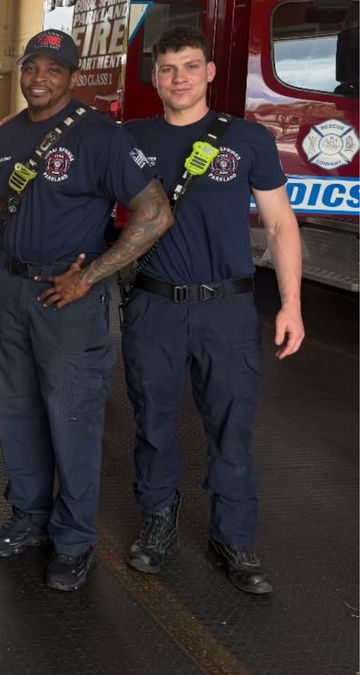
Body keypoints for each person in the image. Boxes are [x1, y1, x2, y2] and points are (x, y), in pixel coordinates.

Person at [0, 29, 173, 591]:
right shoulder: (9, 134)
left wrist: (88, 276)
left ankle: (73, 540)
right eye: (31, 66)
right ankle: (29, 518)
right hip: (15, 294)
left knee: (72, 420)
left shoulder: (102, 136)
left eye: (53, 69)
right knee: (17, 413)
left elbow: (155, 214)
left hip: (68, 298)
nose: (39, 77)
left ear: (73, 75)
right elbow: (0, 207)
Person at [120, 26, 304, 594]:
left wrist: (292, 303)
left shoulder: (247, 139)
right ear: (156, 76)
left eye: (190, 66)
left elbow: (280, 223)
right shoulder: (127, 138)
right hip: (154, 307)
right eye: (169, 68)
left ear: (210, 73)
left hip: (227, 309)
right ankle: (157, 522)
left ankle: (234, 537)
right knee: (152, 423)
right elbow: (65, 152)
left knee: (232, 428)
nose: (179, 78)